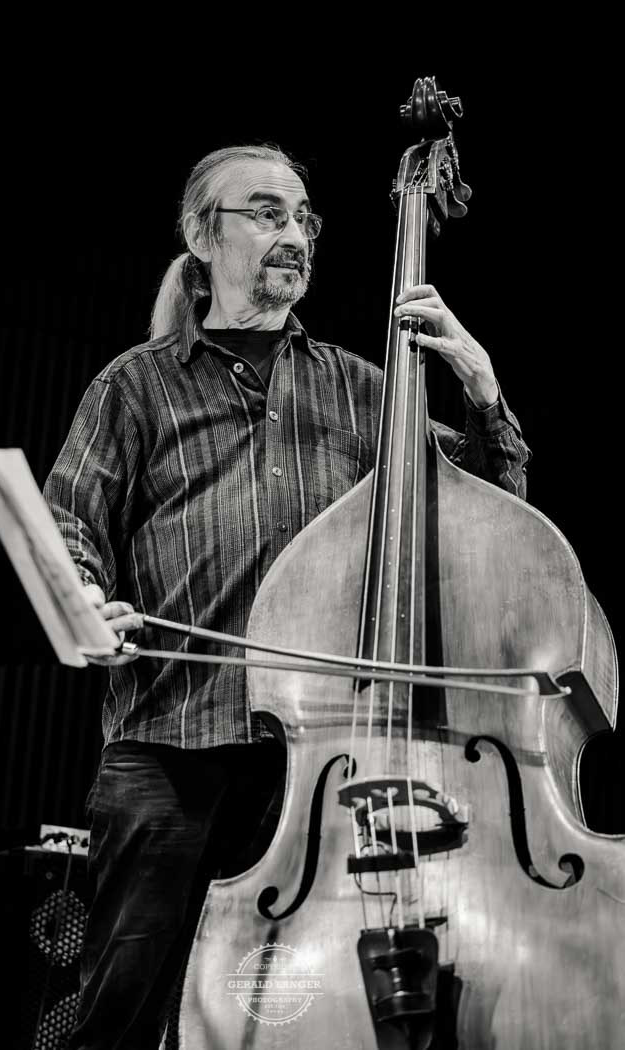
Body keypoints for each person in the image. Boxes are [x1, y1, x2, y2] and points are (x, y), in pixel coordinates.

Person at [43, 144, 531, 1049]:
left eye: (303, 217)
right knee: (122, 1015)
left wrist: (482, 388)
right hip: (172, 743)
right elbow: (70, 525)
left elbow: (487, 514)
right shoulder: (135, 385)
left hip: (317, 762)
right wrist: (85, 603)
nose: (294, 234)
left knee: (287, 1022)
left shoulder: (361, 387)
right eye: (266, 213)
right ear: (202, 235)